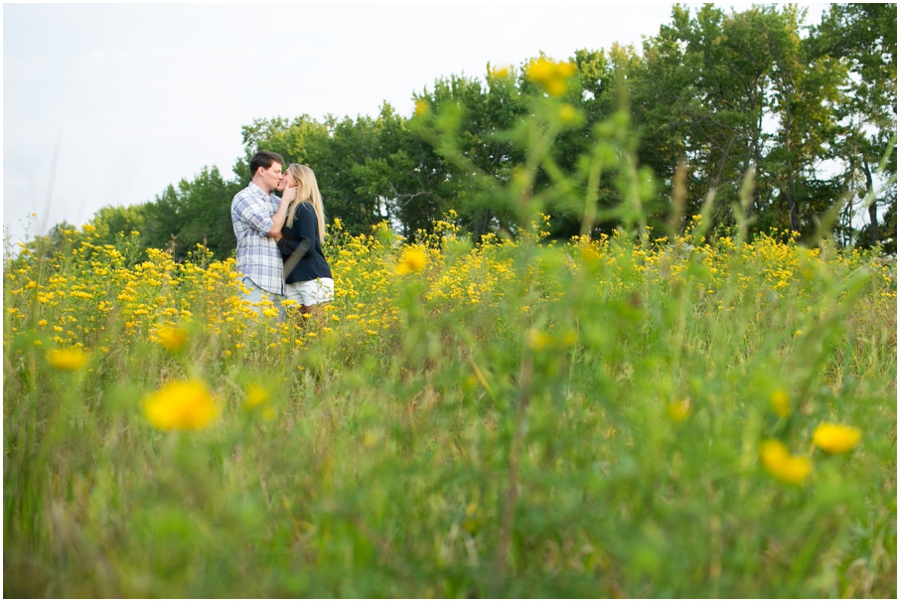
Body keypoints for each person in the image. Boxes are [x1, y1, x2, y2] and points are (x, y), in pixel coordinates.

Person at [231, 151, 295, 318]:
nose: (280, 177)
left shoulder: (276, 202)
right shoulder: (244, 198)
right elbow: (272, 229)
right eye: (276, 172)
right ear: (261, 171)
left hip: (279, 284)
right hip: (255, 282)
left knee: (277, 343)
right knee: (252, 340)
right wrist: (286, 200)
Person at [272, 164, 334, 323]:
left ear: (297, 183)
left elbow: (307, 246)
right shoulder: (290, 209)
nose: (281, 177)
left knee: (319, 337)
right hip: (293, 281)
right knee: (296, 340)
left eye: (286, 174)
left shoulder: (304, 207)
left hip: (314, 279)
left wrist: (280, 240)